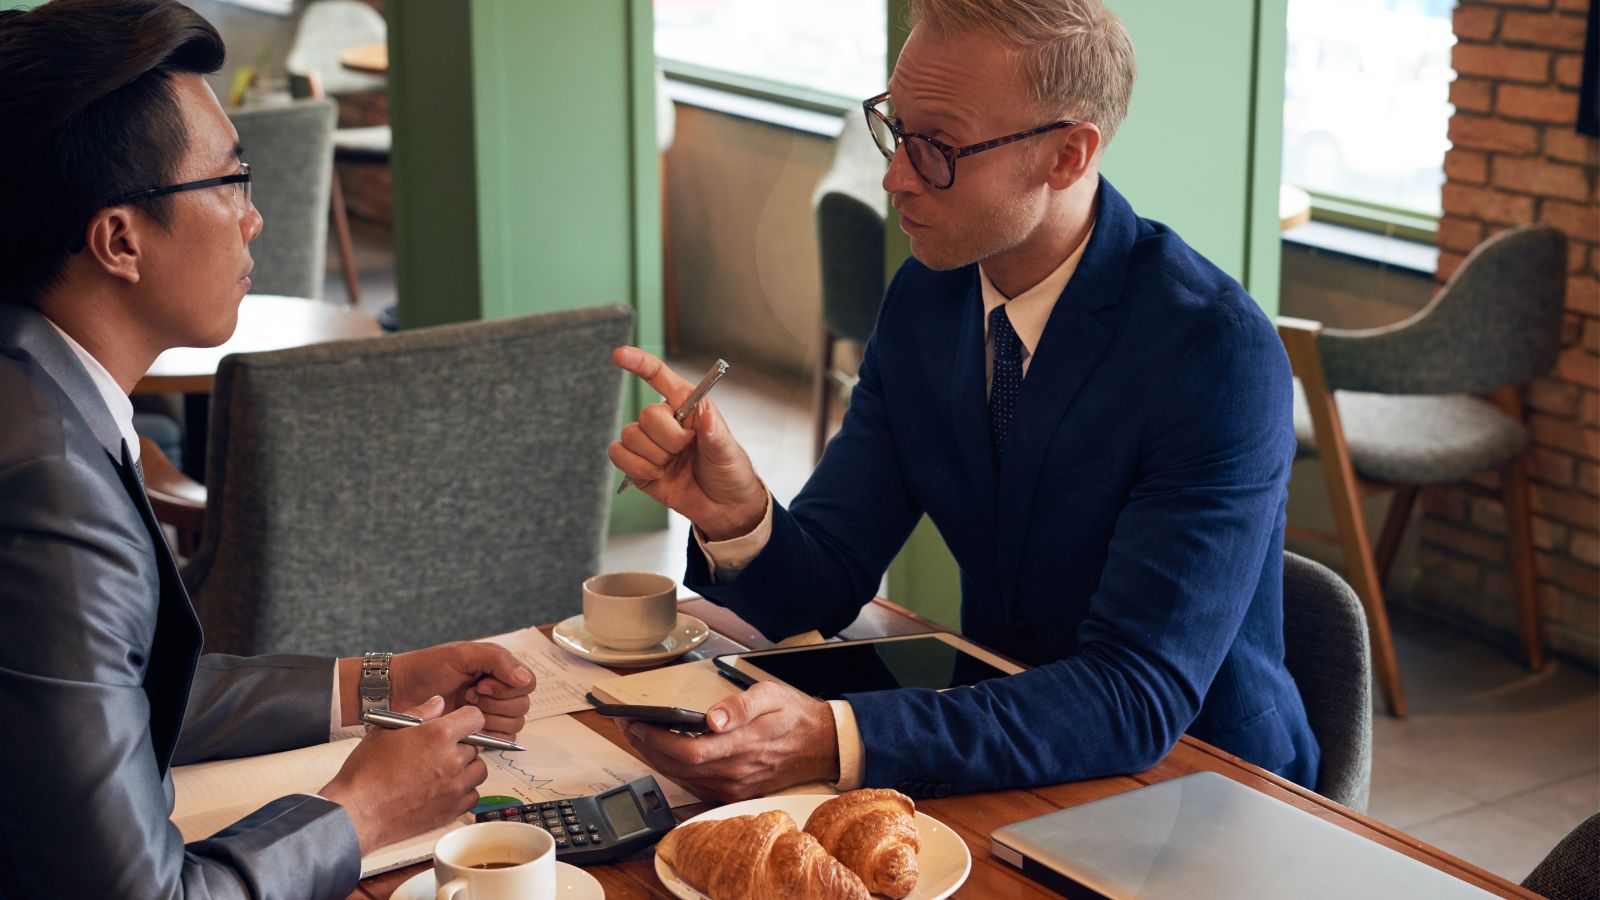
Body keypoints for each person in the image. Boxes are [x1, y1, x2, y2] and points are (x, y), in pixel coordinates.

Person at [608, 0, 1318, 803]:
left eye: (939, 148)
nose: (896, 176)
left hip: (1206, 785)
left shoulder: (1214, 351)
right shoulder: (929, 296)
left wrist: (839, 738)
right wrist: (739, 517)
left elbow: (1135, 695)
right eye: (897, 130)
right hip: (1001, 746)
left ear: (1068, 155)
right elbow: (826, 583)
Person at [0, 2, 534, 897]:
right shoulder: (48, 486)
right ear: (119, 240)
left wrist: (379, 683)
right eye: (231, 180)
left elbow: (100, 698)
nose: (254, 219)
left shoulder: (32, 382)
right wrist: (362, 812)